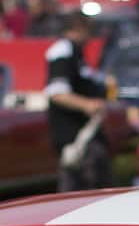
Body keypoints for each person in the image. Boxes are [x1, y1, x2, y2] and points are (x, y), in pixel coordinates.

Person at [44, 13, 112, 191]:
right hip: (72, 134)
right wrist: (87, 105)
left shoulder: (76, 52)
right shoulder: (62, 51)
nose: (91, 37)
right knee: (76, 186)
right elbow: (57, 93)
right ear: (78, 28)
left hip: (86, 132)